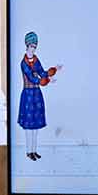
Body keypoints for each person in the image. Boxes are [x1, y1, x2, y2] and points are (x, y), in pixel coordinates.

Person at [17, 31, 62, 161]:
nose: (33, 49)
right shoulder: (23, 63)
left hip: (36, 94)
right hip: (28, 95)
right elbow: (32, 78)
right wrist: (47, 80)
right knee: (28, 127)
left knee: (35, 126)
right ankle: (28, 151)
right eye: (32, 46)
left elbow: (42, 72)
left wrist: (53, 71)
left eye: (35, 46)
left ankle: (34, 151)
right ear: (27, 45)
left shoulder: (36, 60)